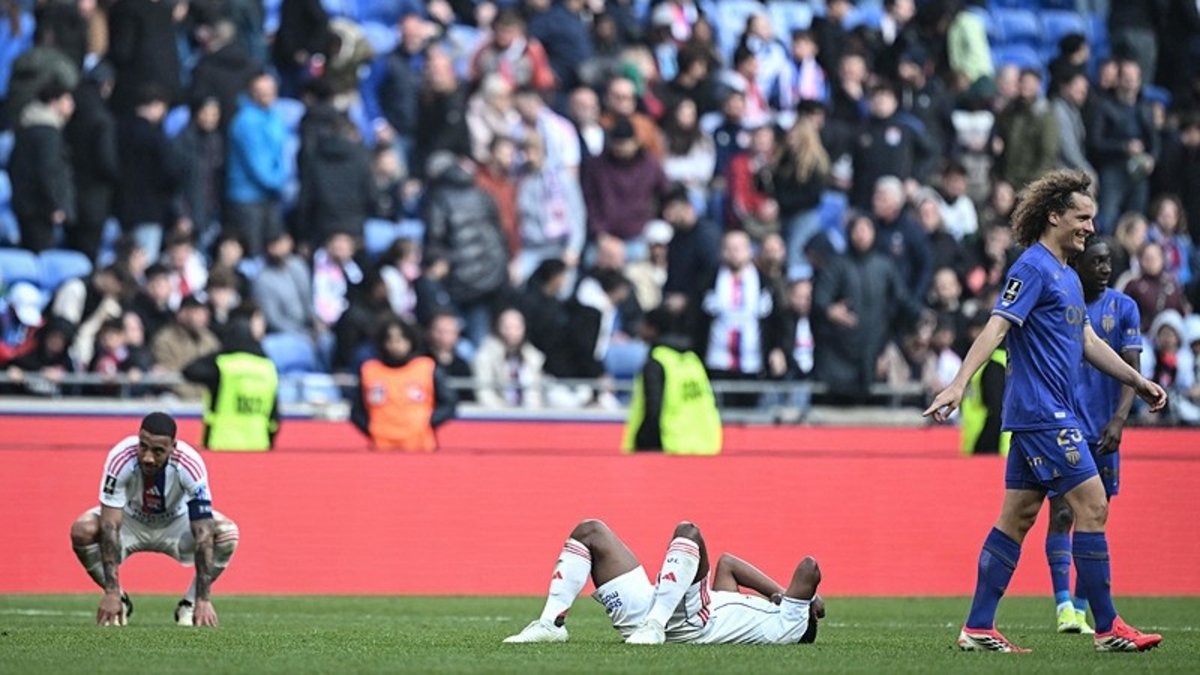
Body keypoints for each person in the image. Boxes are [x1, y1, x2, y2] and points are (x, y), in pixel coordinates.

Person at [923, 170, 1167, 653]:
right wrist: (958, 383)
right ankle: (1107, 628)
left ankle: (978, 626)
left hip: (1050, 413)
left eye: (1092, 219)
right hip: (1042, 414)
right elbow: (996, 328)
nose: (1090, 228)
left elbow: (1088, 341)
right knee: (1093, 505)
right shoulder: (1032, 268)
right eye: (1082, 217)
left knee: (1017, 517)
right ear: (1054, 216)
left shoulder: (1067, 276)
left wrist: (1136, 382)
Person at [502, 519, 823, 645]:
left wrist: (809, 602)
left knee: (690, 533)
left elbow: (809, 567)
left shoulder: (789, 625)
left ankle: (654, 626)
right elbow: (728, 564)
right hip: (656, 613)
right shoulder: (752, 614)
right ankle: (551, 625)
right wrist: (777, 593)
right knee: (590, 532)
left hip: (691, 624)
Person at [1045, 236, 1142, 634]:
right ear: (1079, 264)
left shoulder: (1124, 308)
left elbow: (1131, 367)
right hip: (1065, 426)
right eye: (1097, 261)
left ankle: (1083, 608)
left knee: (1094, 516)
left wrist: (1119, 420)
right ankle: (1064, 607)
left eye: (1109, 262)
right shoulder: (1062, 302)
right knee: (1062, 513)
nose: (1105, 268)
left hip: (1104, 430)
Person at [68, 412, 240, 627]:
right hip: (130, 522)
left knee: (227, 533)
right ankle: (120, 600)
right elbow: (110, 524)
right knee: (82, 530)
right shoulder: (121, 457)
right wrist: (110, 591)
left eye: (158, 451)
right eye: (143, 446)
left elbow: (203, 532)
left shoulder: (190, 464)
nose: (148, 457)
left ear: (173, 446)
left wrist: (204, 599)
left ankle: (190, 604)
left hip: (175, 525)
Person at [623, 308, 721, 455]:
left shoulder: (657, 363)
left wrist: (642, 442)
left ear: (653, 329)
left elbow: (653, 408)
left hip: (669, 445)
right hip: (704, 443)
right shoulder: (692, 360)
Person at [352, 316, 457, 451]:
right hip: (381, 446)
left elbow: (449, 403)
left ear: (410, 341)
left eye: (400, 340)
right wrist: (373, 428)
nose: (395, 345)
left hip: (421, 446)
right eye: (390, 340)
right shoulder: (370, 371)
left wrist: (427, 422)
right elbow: (356, 411)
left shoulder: (426, 368)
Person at [182, 310, 280, 451]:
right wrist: (270, 441)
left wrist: (218, 353)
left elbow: (189, 371)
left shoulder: (222, 365)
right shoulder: (267, 367)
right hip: (258, 445)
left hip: (220, 443)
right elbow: (275, 415)